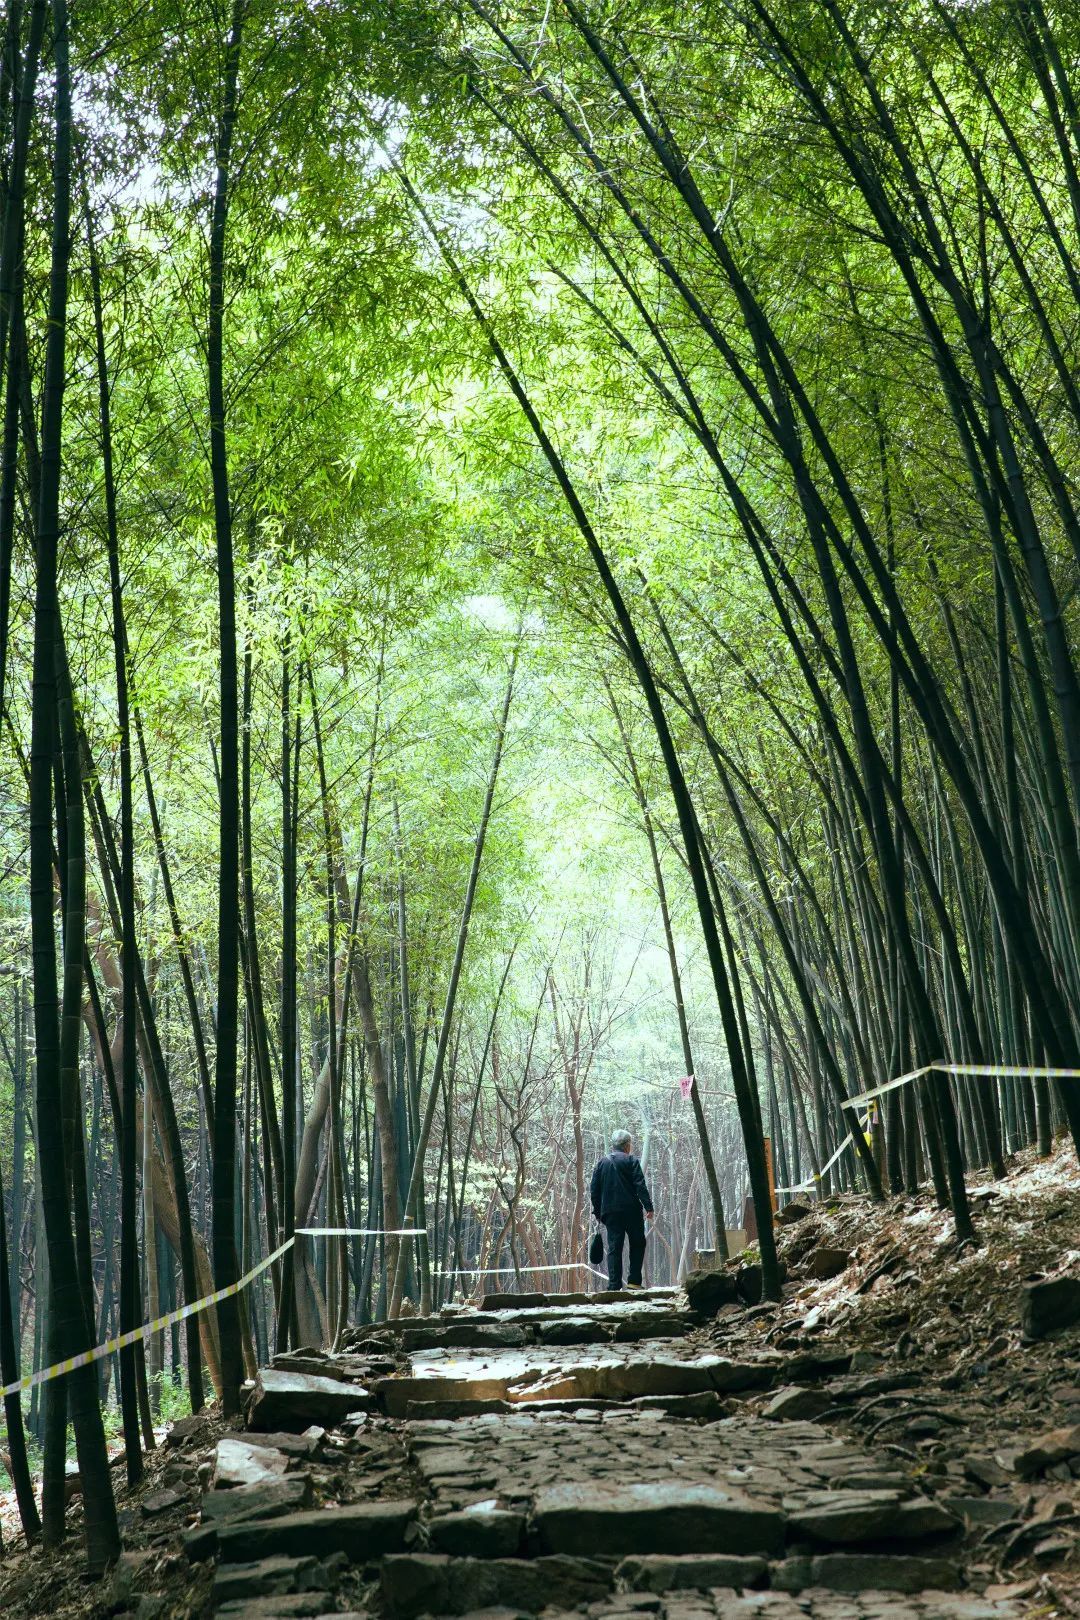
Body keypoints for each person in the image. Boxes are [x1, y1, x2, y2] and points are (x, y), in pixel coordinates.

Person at [590, 1129, 655, 1291]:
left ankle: (614, 1285)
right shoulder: (631, 1160)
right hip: (631, 1211)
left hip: (610, 1212)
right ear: (627, 1146)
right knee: (637, 1243)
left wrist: (598, 1212)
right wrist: (648, 1207)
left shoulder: (602, 1162)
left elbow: (594, 1190)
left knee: (614, 1247)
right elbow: (640, 1185)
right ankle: (634, 1282)